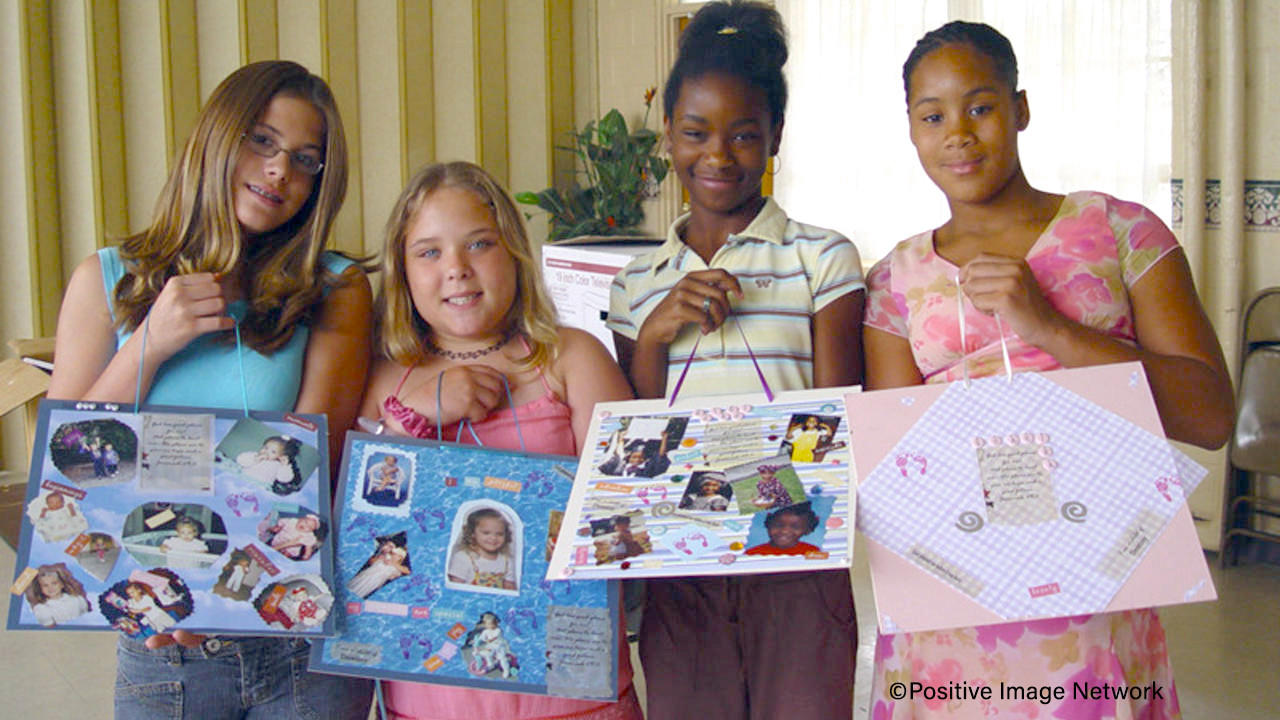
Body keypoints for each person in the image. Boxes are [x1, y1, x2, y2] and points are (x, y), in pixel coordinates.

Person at [862, 21, 1234, 719]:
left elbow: (1210, 415)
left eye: (980, 106)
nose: (958, 134)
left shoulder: (1121, 231)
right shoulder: (894, 278)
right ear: (910, 131)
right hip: (954, 593)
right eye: (932, 116)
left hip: (1092, 581)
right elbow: (895, 465)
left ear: (1020, 109)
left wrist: (1049, 328)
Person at [45, 60, 374, 719]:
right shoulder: (106, 277)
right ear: (216, 138)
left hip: (295, 637)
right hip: (160, 638)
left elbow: (310, 467)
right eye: (262, 141)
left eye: (305, 159)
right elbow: (66, 463)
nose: (279, 171)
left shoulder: (334, 287)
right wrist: (150, 341)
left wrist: (217, 593)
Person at [605, 3, 864, 717]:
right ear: (668, 134)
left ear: (776, 133)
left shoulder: (822, 258)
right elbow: (635, 440)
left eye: (744, 134)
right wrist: (653, 334)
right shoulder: (635, 285)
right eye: (695, 133)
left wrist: (755, 502)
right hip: (680, 561)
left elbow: (835, 421)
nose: (718, 156)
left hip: (796, 551)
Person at [359, 160, 638, 719]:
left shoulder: (570, 357)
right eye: (429, 252)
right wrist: (416, 414)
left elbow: (630, 509)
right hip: (428, 698)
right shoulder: (384, 381)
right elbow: (362, 532)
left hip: (573, 692)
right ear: (402, 271)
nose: (457, 269)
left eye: (479, 244)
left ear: (514, 253)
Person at [447, 508, 518, 590]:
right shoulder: (463, 558)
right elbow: (455, 588)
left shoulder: (507, 561)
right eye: (486, 533)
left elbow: (509, 588)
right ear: (472, 533)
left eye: (499, 534)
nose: (493, 538)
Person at [25, 563, 91, 627]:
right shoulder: (41, 608)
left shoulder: (77, 600)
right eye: (45, 585)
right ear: (40, 588)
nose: (50, 588)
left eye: (54, 583)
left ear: (62, 584)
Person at [744, 502, 819, 556]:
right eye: (778, 525)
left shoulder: (813, 552)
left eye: (795, 527)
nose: (784, 531)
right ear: (768, 524)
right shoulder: (752, 554)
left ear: (807, 530)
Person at [237, 435, 305, 494]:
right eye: (266, 447)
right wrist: (255, 459)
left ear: (281, 456)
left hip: (261, 486)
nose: (266, 451)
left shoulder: (279, 466)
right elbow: (240, 460)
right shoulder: (254, 455)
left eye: (273, 452)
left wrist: (285, 466)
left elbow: (284, 479)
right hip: (243, 477)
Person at [347, 539, 411, 599]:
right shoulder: (385, 557)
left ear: (400, 558)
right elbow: (370, 561)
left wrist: (393, 564)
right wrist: (380, 558)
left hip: (374, 582)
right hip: (365, 575)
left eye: (395, 555)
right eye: (393, 554)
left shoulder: (398, 568)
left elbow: (407, 571)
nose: (393, 555)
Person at [467, 612, 516, 679]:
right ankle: (490, 664)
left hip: (499, 646)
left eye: (492, 624)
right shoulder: (486, 631)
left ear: (496, 623)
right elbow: (481, 638)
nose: (490, 625)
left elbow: (495, 637)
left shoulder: (498, 630)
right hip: (491, 646)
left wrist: (489, 640)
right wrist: (475, 641)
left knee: (502, 658)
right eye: (488, 624)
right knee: (487, 654)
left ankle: (506, 670)